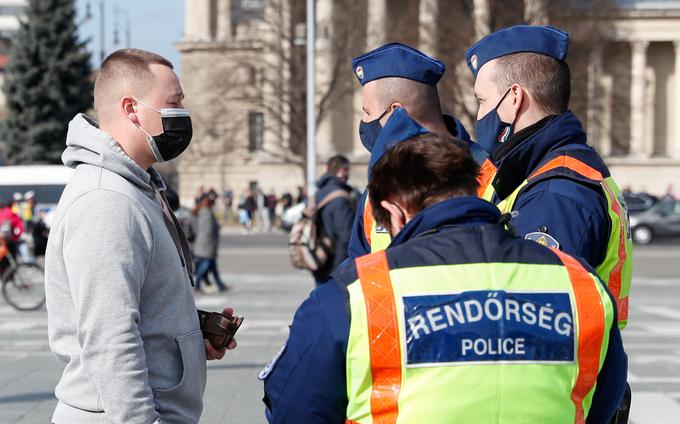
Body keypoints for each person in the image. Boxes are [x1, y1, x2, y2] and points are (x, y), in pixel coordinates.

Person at [261, 133, 627, 424]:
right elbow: (601, 402)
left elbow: (293, 408)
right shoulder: (580, 284)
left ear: (394, 211)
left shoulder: (357, 293)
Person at [44, 48, 236, 424]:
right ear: (132, 109)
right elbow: (108, 337)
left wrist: (190, 332)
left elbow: (135, 299)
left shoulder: (137, 189)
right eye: (174, 102)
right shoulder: (106, 200)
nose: (182, 113)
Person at [466, 25, 632, 329]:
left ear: (514, 97)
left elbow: (530, 325)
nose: (478, 116)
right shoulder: (550, 172)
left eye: (482, 101)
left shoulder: (554, 196)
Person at [347, 42, 485, 259]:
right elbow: (356, 266)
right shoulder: (379, 182)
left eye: (367, 111)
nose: (364, 121)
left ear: (395, 113)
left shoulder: (490, 172)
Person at [312, 155, 356, 285]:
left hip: (319, 258)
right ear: (342, 171)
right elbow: (346, 236)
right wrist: (342, 271)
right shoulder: (340, 197)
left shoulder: (318, 194)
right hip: (334, 266)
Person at [193, 191, 229, 293]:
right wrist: (217, 227)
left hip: (206, 244)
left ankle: (220, 285)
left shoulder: (205, 210)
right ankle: (197, 285)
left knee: (213, 266)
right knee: (204, 265)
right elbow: (208, 229)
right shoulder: (206, 211)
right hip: (206, 244)